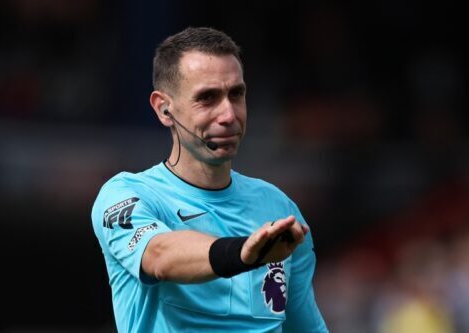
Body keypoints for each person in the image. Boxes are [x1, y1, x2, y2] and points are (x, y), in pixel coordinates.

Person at [91, 26, 329, 333]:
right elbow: (160, 256)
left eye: (236, 94)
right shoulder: (127, 196)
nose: (229, 114)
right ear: (164, 109)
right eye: (207, 98)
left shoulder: (278, 207)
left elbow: (304, 327)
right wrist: (242, 254)